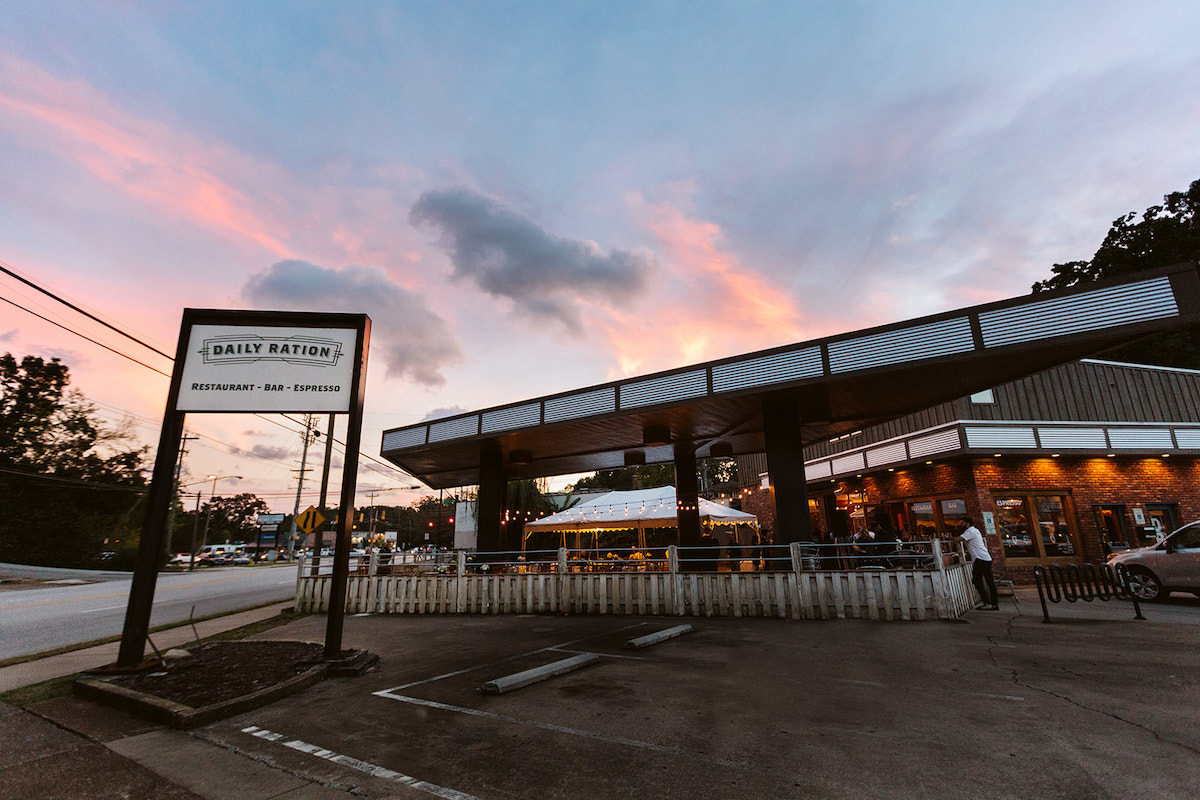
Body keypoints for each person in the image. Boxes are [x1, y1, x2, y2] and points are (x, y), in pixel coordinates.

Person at [953, 517, 998, 610]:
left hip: (980, 559)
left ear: (967, 523)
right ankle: (993, 603)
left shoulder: (970, 532)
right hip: (986, 558)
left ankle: (986, 601)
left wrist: (950, 537)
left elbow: (957, 539)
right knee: (989, 581)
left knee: (976, 580)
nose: (961, 525)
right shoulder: (975, 531)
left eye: (962, 523)